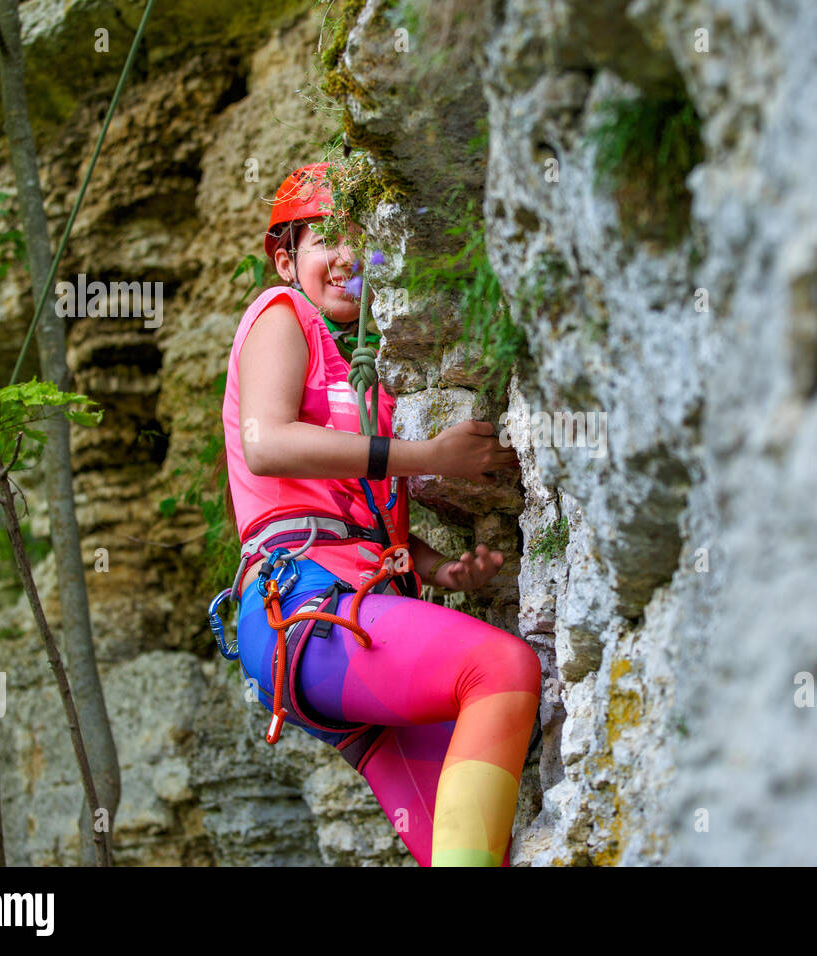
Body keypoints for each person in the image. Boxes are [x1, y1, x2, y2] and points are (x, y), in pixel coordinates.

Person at [220, 162, 541, 866]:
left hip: (339, 615)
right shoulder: (280, 315)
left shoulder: (367, 376)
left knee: (465, 850)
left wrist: (438, 569)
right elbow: (266, 444)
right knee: (501, 668)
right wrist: (431, 453)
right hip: (302, 603)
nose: (345, 255)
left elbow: (362, 520)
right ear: (286, 258)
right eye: (325, 239)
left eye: (359, 237)